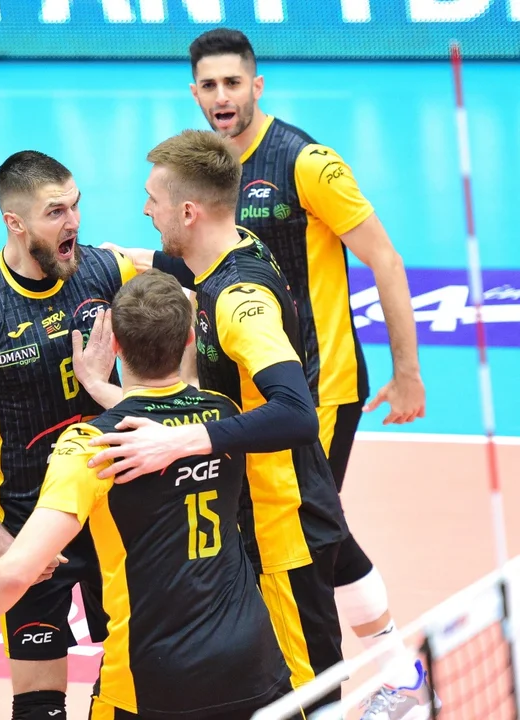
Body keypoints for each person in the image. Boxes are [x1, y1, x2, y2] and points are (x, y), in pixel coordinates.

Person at [110, 28, 434, 717]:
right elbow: (197, 258)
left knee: (308, 539)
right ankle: (397, 667)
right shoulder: (223, 211)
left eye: (233, 82)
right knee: (322, 527)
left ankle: (392, 673)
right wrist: (126, 260)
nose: (221, 96)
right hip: (264, 405)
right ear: (194, 92)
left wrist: (407, 373)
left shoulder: (305, 165)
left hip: (318, 387)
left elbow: (385, 260)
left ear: (256, 86)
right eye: (209, 85)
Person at [0, 270, 299, 720]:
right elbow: (170, 416)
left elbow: (17, 572)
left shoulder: (92, 446)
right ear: (188, 338)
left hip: (153, 677)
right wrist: (104, 390)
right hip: (253, 663)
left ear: (116, 345)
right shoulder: (222, 417)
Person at [74, 130, 348, 712]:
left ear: (188, 212)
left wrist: (181, 441)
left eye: (153, 199)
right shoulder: (234, 245)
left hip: (284, 530)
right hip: (253, 525)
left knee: (310, 702)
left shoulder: (240, 301)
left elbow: (297, 413)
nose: (145, 209)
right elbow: (182, 261)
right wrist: (124, 256)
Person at [0, 150, 138, 719]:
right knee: (39, 706)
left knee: (140, 682)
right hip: (33, 526)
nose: (74, 222)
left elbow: (179, 324)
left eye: (76, 206)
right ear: (14, 222)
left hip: (117, 513)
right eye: (56, 212)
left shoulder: (107, 272)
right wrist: (3, 545)